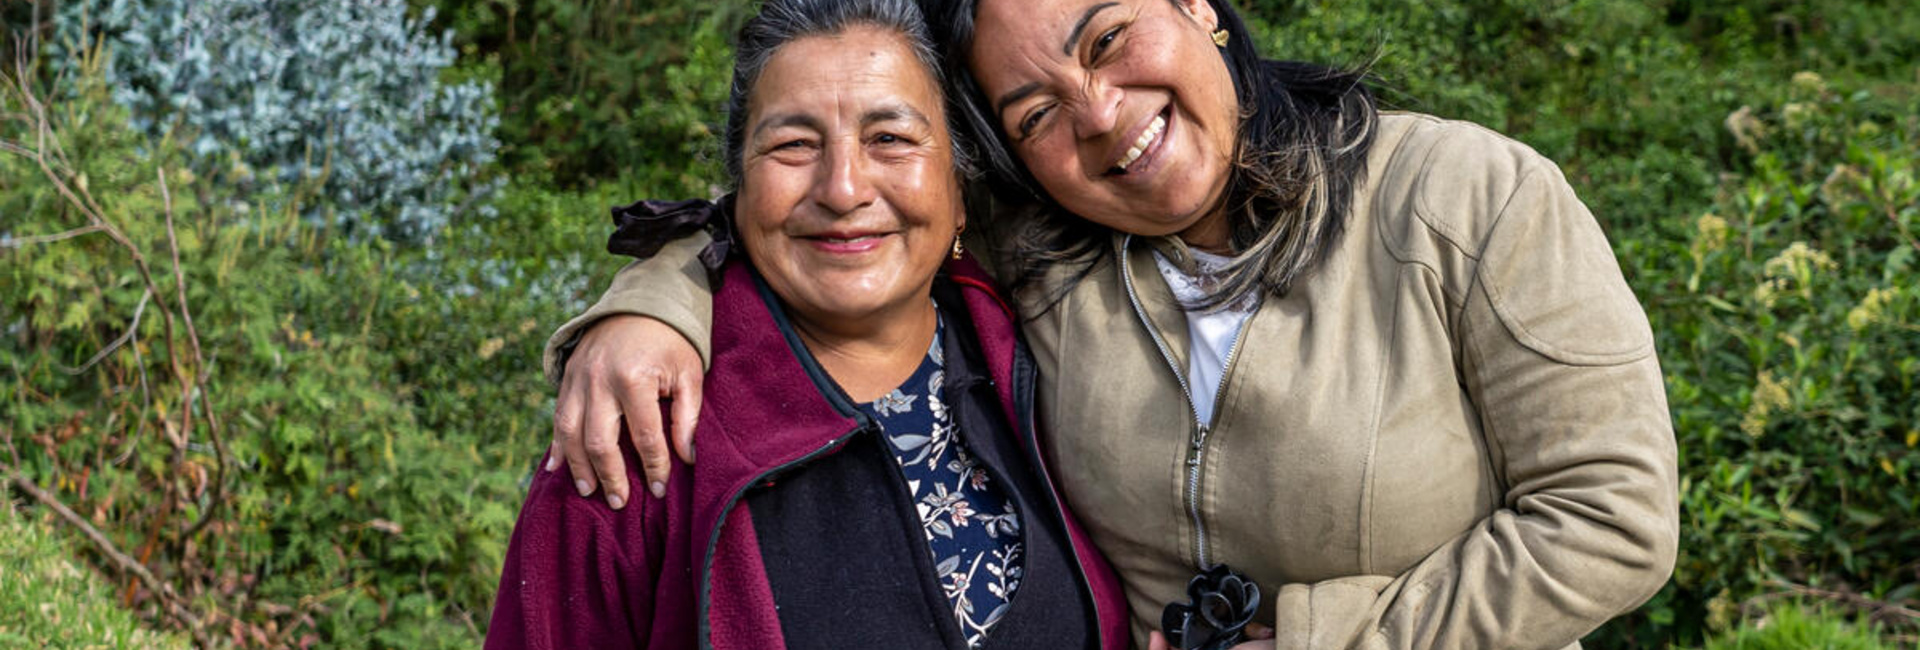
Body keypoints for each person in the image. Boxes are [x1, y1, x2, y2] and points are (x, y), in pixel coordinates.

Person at [543, 0, 1681, 647]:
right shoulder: (1040, 255)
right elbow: (843, 214)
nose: (1100, 115)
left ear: (1196, 5)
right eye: (1036, 111)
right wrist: (651, 304)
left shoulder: (1465, 198)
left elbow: (1615, 516)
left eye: (1108, 39)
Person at [486, 0, 1132, 647]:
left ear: (960, 187)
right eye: (793, 144)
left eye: (890, 138)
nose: (843, 189)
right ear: (737, 188)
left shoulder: (1046, 350)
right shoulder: (631, 439)